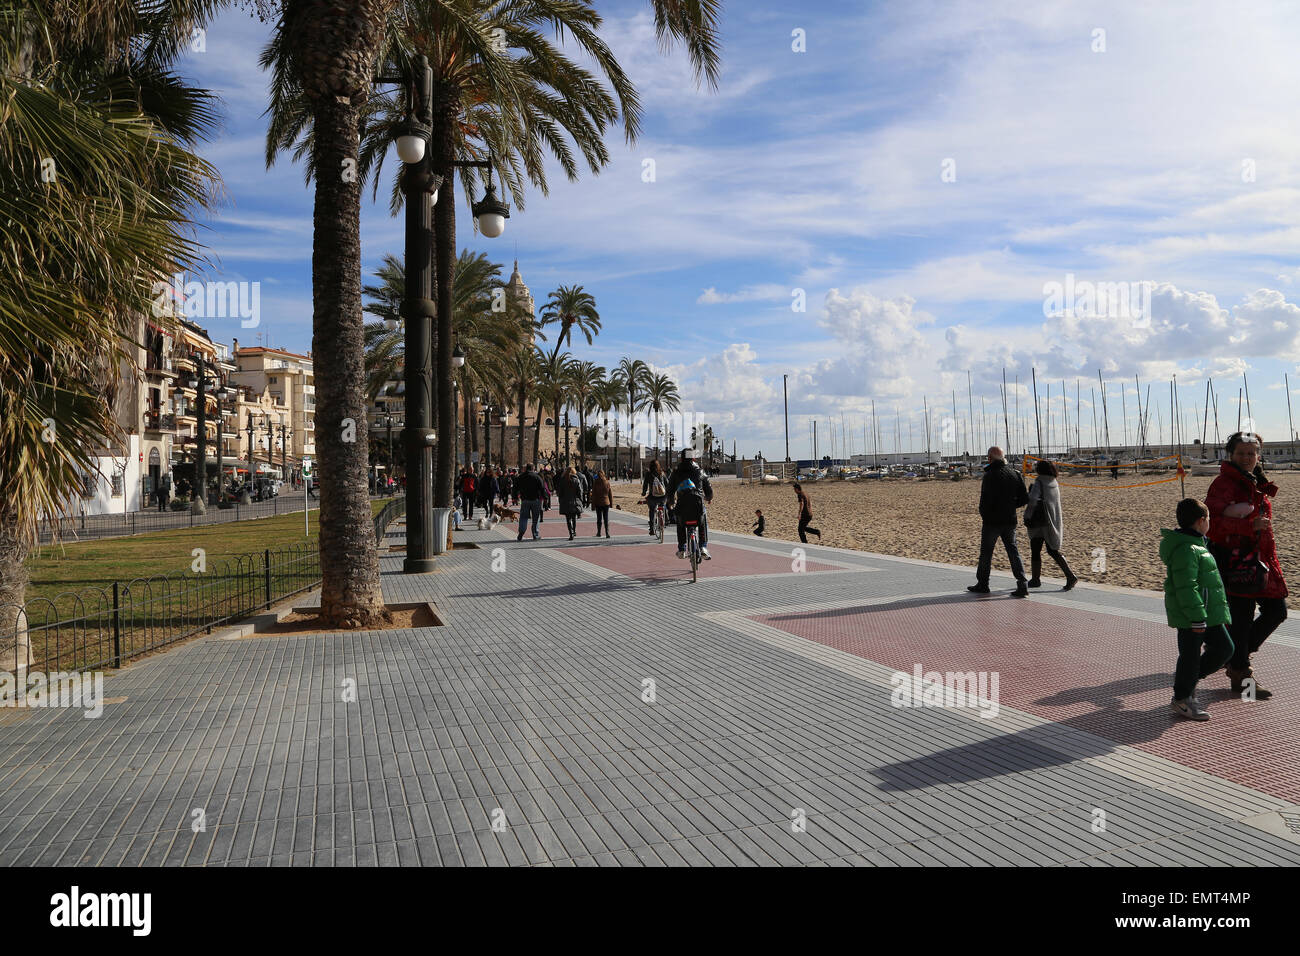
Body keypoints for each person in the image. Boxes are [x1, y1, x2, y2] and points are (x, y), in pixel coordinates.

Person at [1206, 431, 1286, 699]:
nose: (1246, 457)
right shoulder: (1222, 485)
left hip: (1262, 560)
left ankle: (1229, 653)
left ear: (1258, 456)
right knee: (1240, 620)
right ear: (1231, 455)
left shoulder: (1256, 482)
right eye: (1241, 453)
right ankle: (1241, 676)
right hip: (1235, 561)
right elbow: (1211, 526)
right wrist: (1247, 525)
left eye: (1251, 453)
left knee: (1277, 611)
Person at [1162, 498, 1234, 721]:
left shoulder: (1198, 544)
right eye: (1209, 519)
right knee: (1190, 656)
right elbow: (1186, 586)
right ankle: (1182, 699)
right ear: (1202, 521)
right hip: (1193, 616)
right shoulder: (1186, 549)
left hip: (1208, 613)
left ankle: (1189, 682)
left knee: (1224, 648)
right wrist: (1196, 617)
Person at [968, 446, 1030, 597]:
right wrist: (1010, 506)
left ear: (990, 458)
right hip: (1009, 519)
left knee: (986, 553)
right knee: (1013, 551)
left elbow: (984, 500)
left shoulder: (990, 475)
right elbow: (1024, 498)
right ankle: (1022, 583)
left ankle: (983, 583)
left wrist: (985, 515)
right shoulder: (1015, 474)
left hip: (992, 521)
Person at [1025, 460, 1078, 590]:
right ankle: (1069, 576)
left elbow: (1032, 501)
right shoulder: (1054, 482)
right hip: (1051, 521)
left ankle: (1037, 579)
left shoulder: (1039, 482)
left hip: (1039, 522)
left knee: (1036, 550)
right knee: (1052, 550)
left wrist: (1027, 515)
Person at [666, 449, 713, 559]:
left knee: (680, 522)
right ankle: (703, 547)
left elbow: (670, 490)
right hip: (697, 505)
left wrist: (671, 502)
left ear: (681, 458)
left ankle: (682, 549)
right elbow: (709, 489)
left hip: (682, 505)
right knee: (703, 520)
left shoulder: (676, 472)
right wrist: (708, 498)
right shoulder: (700, 471)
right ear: (693, 458)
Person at [516, 463, 545, 540]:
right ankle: (535, 534)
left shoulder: (521, 477)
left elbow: (515, 487)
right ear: (533, 468)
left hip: (525, 500)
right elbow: (542, 488)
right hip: (536, 500)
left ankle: (521, 532)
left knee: (523, 517)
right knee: (535, 518)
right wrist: (544, 498)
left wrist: (515, 497)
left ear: (526, 468)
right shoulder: (537, 477)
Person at [642, 460, 668, 536]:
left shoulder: (648, 474)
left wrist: (643, 492)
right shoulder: (662, 473)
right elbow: (667, 483)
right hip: (662, 496)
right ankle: (664, 519)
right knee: (662, 506)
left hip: (653, 496)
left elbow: (645, 485)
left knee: (652, 510)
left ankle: (652, 528)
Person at [557, 466, 582, 540]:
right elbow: (579, 492)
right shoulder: (576, 480)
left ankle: (570, 533)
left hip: (565, 501)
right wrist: (580, 500)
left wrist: (560, 500)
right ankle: (574, 531)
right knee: (573, 518)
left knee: (568, 519)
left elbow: (560, 492)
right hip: (574, 501)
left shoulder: (563, 480)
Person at [590, 469, 612, 538]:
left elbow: (593, 495)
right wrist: (611, 503)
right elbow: (610, 494)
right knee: (606, 518)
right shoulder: (607, 482)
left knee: (599, 518)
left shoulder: (596, 483)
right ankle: (607, 533)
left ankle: (599, 532)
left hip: (598, 502)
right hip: (606, 502)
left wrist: (592, 505)